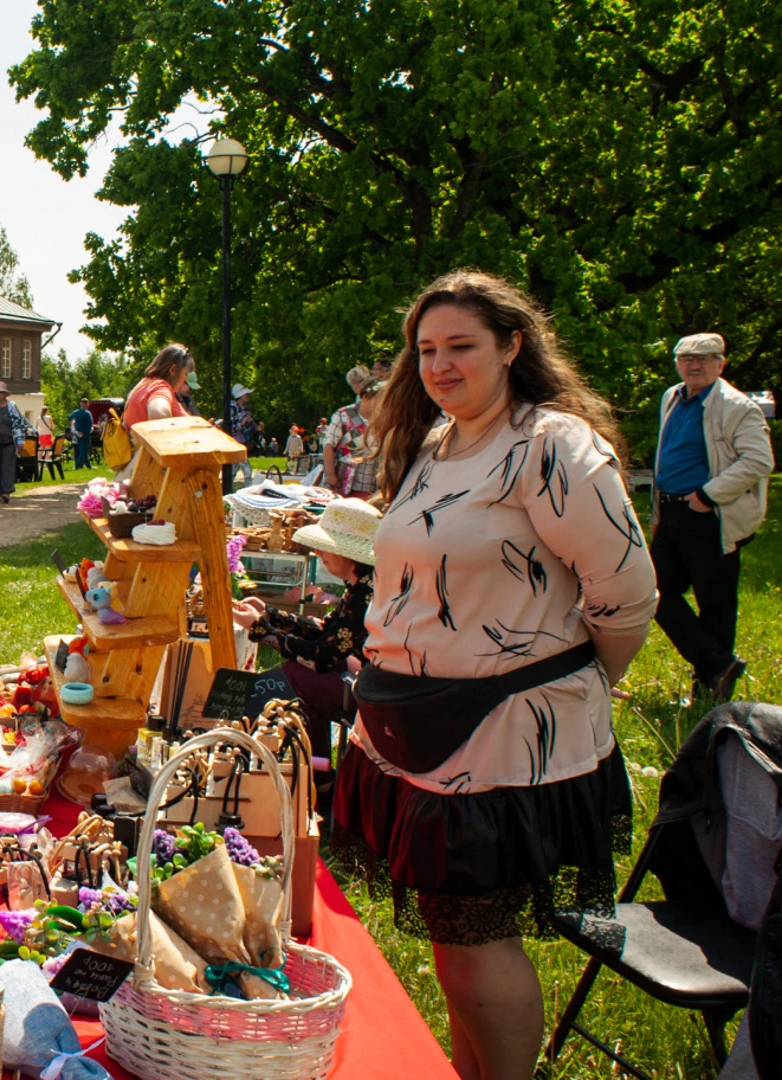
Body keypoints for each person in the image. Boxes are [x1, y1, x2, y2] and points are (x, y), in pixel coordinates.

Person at [335, 270, 656, 1080]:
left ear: (512, 346)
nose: (441, 365)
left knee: (477, 949)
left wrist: (570, 684)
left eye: (461, 347)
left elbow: (625, 594)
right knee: (456, 945)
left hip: (505, 735)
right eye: (428, 350)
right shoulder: (437, 443)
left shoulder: (550, 444)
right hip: (421, 723)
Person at [649, 331, 773, 705]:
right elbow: (665, 454)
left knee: (713, 602)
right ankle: (718, 664)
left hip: (711, 514)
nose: (695, 365)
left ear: (722, 363)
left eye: (705, 358)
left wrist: (707, 495)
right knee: (652, 590)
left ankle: (708, 688)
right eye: (687, 358)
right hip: (672, 510)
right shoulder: (672, 396)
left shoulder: (737, 406)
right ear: (677, 363)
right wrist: (658, 512)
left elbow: (759, 460)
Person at [232, 497, 379, 757]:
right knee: (299, 680)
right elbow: (327, 631)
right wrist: (271, 615)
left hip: (377, 699)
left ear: (348, 552)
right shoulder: (362, 585)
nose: (318, 553)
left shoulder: (366, 592)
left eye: (325, 547)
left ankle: (235, 741)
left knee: (297, 675)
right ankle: (317, 779)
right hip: (369, 685)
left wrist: (261, 629)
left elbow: (322, 657)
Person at [321, 365, 370, 493]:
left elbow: (328, 444)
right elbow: (329, 445)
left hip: (372, 481)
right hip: (347, 480)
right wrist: (330, 474)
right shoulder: (345, 413)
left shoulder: (385, 415)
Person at [121, 344, 195, 427]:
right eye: (185, 374)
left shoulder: (147, 384)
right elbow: (158, 414)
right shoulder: (160, 387)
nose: (186, 379)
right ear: (173, 370)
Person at [68, 397, 95, 469]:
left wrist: (75, 422)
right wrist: (84, 432)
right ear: (86, 404)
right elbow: (89, 424)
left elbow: (69, 417)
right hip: (85, 434)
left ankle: (89, 467)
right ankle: (77, 466)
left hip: (78, 434)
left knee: (83, 450)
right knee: (84, 451)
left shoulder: (76, 412)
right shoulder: (87, 413)